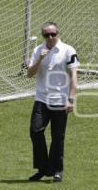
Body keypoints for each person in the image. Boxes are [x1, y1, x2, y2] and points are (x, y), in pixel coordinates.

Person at [27, 22, 79, 181]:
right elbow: (30, 74)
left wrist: (71, 99)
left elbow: (74, 76)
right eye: (46, 35)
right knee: (35, 131)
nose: (50, 37)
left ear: (58, 34)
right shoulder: (38, 51)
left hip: (60, 100)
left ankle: (57, 170)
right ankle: (43, 168)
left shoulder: (68, 50)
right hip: (42, 99)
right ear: (43, 36)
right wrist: (40, 59)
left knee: (58, 137)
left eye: (53, 34)